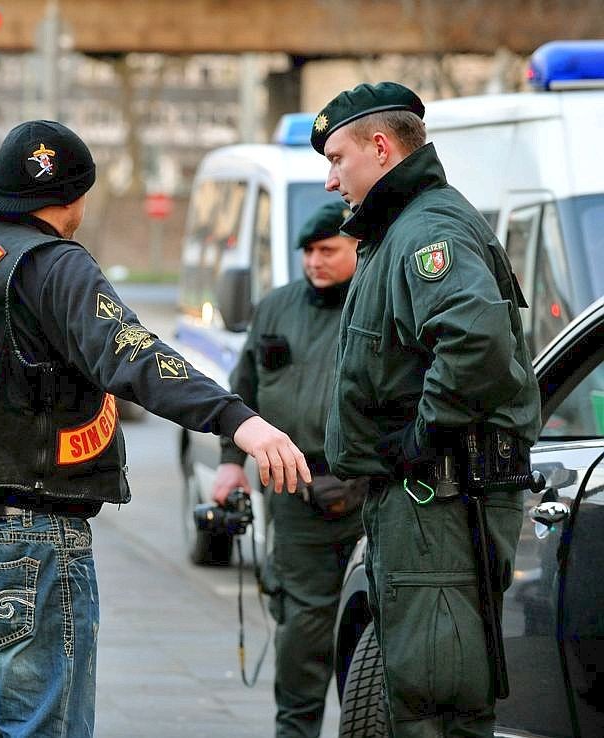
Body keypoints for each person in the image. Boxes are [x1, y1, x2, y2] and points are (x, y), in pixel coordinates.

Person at [0, 119, 312, 738]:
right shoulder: (55, 264)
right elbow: (133, 352)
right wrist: (239, 421)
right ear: (74, 199)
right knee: (38, 725)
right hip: (25, 530)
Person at [311, 83, 541, 736]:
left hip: (436, 501)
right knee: (420, 692)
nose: (332, 181)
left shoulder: (427, 230)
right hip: (420, 503)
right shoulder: (404, 228)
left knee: (435, 698)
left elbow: (475, 341)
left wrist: (423, 437)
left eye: (338, 158)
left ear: (381, 148)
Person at [212, 200, 365, 738]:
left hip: (368, 493)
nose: (314, 262)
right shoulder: (276, 308)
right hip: (294, 491)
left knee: (376, 626)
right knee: (303, 626)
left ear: (356, 246)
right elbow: (243, 391)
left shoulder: (375, 302)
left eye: (328, 250)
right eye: (307, 252)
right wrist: (231, 465)